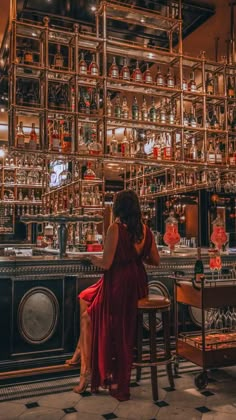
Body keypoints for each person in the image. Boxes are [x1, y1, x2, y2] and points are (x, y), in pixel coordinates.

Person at [66, 190, 160, 401]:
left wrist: (91, 258)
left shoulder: (114, 228)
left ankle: (86, 374)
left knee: (87, 318)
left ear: (118, 208)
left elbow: (106, 264)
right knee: (85, 296)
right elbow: (155, 260)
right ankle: (80, 353)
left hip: (118, 284)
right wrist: (137, 255)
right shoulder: (145, 230)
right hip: (138, 283)